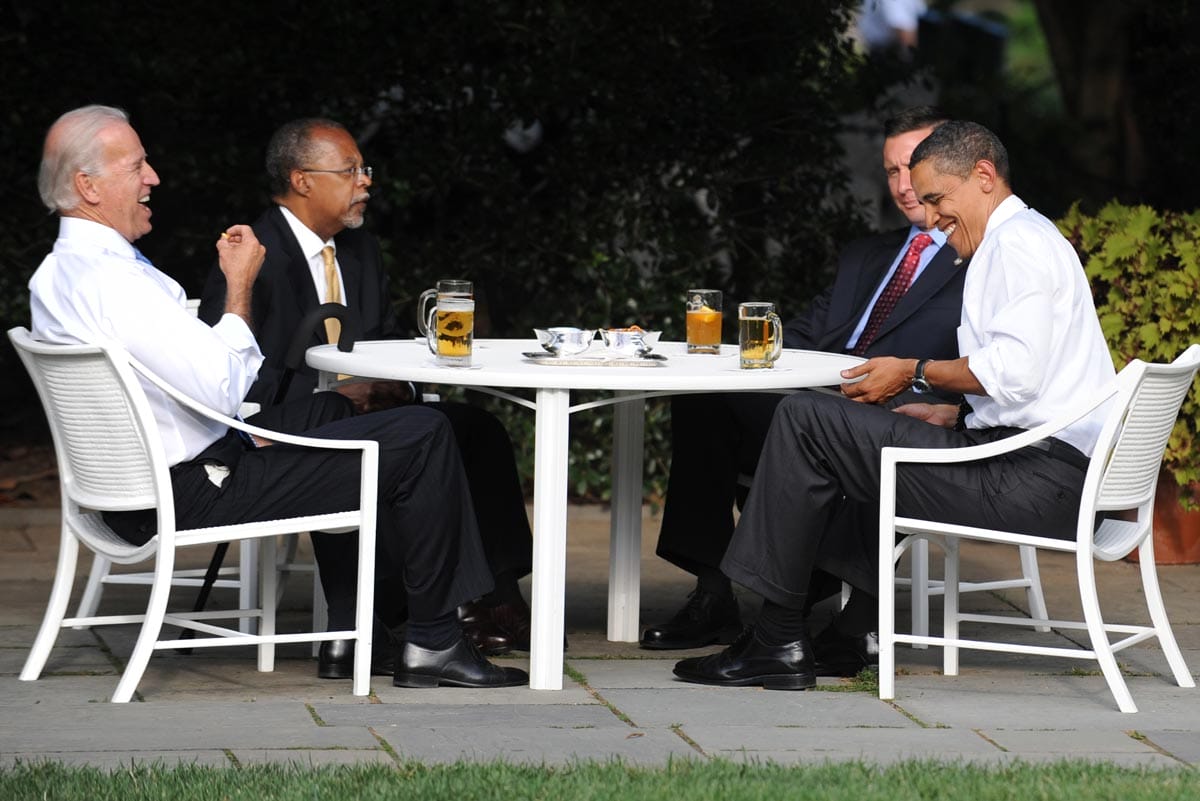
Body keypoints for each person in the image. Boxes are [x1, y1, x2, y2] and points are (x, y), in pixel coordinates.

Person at [29, 104, 527, 689]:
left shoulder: (59, 272)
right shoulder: (111, 280)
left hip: (167, 474)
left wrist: (251, 427)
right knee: (423, 435)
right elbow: (222, 383)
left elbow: (188, 389)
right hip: (193, 486)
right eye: (138, 166)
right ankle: (436, 641)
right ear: (87, 185)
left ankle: (354, 631)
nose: (153, 178)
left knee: (348, 411)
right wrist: (239, 285)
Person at [672, 120, 1116, 690]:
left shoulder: (1017, 245)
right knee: (854, 437)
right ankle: (841, 631)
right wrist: (951, 413)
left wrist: (914, 371)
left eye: (937, 199)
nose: (930, 218)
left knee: (807, 420)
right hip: (1036, 465)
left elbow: (1014, 372)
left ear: (983, 176)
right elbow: (1034, 385)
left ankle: (776, 639)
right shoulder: (1024, 238)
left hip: (1033, 481)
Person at [197, 118, 534, 663]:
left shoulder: (360, 251)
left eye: (364, 169)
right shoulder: (253, 251)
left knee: (476, 427)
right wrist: (342, 393)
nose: (366, 182)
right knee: (378, 438)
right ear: (302, 179)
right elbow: (221, 368)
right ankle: (370, 623)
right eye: (351, 170)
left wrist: (386, 385)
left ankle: (497, 597)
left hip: (359, 408)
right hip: (280, 422)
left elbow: (379, 342)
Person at [643, 107, 960, 673]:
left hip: (899, 409)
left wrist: (951, 405)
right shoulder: (868, 254)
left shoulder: (978, 257)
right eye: (890, 170)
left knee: (806, 420)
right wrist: (724, 356)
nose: (904, 184)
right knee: (704, 401)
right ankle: (715, 592)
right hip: (818, 400)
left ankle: (793, 614)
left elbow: (990, 360)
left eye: (913, 166)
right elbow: (806, 334)